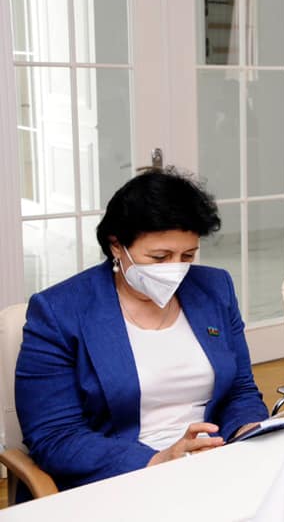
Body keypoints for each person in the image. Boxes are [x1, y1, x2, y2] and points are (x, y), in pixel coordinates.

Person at [16, 169, 268, 494]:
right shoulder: (60, 312)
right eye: (159, 257)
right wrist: (159, 460)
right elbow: (55, 436)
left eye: (187, 256)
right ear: (117, 246)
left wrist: (247, 431)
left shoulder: (214, 288)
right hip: (120, 478)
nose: (175, 269)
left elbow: (240, 390)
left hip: (210, 465)